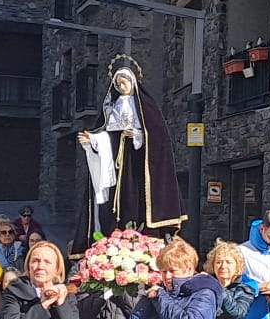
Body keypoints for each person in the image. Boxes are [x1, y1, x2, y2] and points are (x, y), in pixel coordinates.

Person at [75, 54, 186, 235]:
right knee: (118, 197)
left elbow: (158, 136)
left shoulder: (146, 106)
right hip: (117, 161)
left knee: (137, 193)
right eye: (118, 84)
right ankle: (117, 229)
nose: (121, 87)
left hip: (138, 160)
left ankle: (142, 228)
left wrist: (138, 135)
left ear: (133, 82)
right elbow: (106, 134)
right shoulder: (112, 106)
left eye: (124, 83)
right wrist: (93, 140)